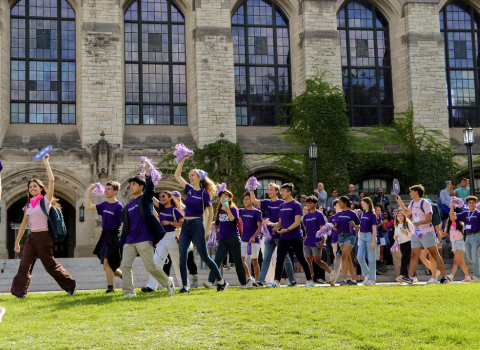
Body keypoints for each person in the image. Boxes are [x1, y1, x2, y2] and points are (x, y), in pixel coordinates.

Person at [11, 154, 77, 298]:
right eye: (30, 187)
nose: (32, 188)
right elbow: (23, 224)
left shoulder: (45, 201)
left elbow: (52, 181)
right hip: (31, 237)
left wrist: (46, 163)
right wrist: (17, 241)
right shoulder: (28, 205)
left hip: (43, 237)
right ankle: (19, 293)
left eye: (35, 186)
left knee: (50, 266)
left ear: (41, 188)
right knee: (24, 265)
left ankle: (70, 285)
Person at [174, 155, 227, 293]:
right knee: (182, 256)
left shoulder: (204, 194)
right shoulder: (189, 190)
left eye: (193, 175)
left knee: (204, 257)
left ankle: (221, 281)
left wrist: (208, 228)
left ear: (199, 178)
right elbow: (177, 175)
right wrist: (182, 161)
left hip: (197, 225)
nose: (190, 177)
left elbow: (210, 211)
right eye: (190, 175)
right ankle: (185, 286)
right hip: (186, 226)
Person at [119, 174, 175, 296]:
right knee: (126, 266)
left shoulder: (145, 199)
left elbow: (150, 189)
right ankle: (128, 292)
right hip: (129, 240)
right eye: (130, 185)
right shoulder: (127, 206)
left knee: (150, 267)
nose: (131, 187)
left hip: (144, 238)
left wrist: (148, 175)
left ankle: (167, 282)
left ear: (141, 186)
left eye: (134, 184)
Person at [396, 185, 448, 284]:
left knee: (434, 254)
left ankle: (444, 277)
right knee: (414, 255)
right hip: (416, 233)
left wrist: (418, 223)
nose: (410, 193)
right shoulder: (412, 202)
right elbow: (406, 213)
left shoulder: (425, 203)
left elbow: (429, 218)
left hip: (427, 232)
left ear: (416, 192)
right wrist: (399, 201)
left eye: (411, 192)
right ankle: (410, 278)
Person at [265, 183, 314, 287]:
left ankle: (310, 280)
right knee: (280, 258)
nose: (281, 193)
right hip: (284, 237)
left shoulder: (296, 205)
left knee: (301, 258)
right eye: (281, 191)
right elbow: (280, 223)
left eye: (283, 191)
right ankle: (276, 282)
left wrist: (286, 230)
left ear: (289, 192)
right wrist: (270, 224)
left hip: (296, 236)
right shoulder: (282, 206)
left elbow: (297, 222)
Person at [249, 183, 296, 287]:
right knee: (266, 258)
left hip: (281, 235)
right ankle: (260, 281)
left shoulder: (282, 203)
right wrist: (251, 189)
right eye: (268, 190)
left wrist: (280, 227)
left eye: (271, 190)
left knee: (286, 258)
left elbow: (287, 218)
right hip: (269, 236)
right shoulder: (266, 202)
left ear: (276, 192)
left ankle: (292, 281)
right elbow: (254, 201)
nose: (269, 191)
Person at [205, 189, 253, 288]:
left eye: (225, 196)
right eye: (221, 197)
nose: (223, 198)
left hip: (233, 238)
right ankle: (210, 281)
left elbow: (234, 222)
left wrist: (228, 211)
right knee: (217, 259)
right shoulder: (219, 209)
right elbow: (218, 221)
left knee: (238, 261)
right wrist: (214, 225)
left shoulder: (233, 209)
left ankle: (243, 283)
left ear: (230, 198)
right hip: (222, 239)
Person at [142, 190, 184, 293]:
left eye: (163, 196)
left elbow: (182, 224)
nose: (161, 198)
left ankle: (184, 286)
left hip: (172, 236)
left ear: (170, 197)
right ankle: (151, 286)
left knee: (176, 263)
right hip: (162, 238)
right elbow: (152, 197)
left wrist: (169, 222)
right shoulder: (161, 208)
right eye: (160, 197)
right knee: (156, 262)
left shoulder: (175, 210)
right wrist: (146, 187)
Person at [86, 181, 124, 293]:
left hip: (114, 236)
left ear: (115, 191)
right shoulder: (104, 205)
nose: (106, 191)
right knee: (106, 266)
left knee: (108, 263)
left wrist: (124, 238)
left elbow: (123, 224)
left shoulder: (119, 206)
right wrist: (89, 191)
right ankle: (124, 276)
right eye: (105, 189)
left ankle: (110, 288)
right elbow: (88, 206)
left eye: (109, 189)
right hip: (104, 236)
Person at [302, 196, 335, 285]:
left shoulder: (319, 215)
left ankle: (331, 273)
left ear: (315, 203)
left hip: (316, 241)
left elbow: (323, 229)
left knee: (317, 260)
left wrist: (322, 241)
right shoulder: (305, 217)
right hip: (307, 241)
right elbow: (305, 230)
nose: (309, 205)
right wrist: (304, 239)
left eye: (311, 203)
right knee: (308, 260)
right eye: (307, 203)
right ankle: (310, 280)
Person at [449, 195, 480, 283]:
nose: (471, 204)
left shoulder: (478, 214)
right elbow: (452, 218)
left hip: (476, 236)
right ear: (467, 204)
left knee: (475, 257)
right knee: (470, 257)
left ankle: (477, 277)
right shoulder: (465, 213)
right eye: (470, 203)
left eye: (473, 203)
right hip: (467, 237)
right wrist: (452, 206)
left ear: (475, 203)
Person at [172, 190, 199, 287]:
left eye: (175, 198)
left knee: (189, 259)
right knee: (174, 259)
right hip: (173, 236)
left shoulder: (184, 209)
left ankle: (194, 279)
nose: (173, 200)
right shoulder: (169, 208)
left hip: (185, 235)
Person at [333, 196, 361, 285]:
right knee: (348, 258)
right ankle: (353, 280)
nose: (339, 204)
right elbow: (336, 227)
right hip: (340, 236)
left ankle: (344, 280)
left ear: (345, 203)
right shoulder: (338, 214)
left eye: (340, 202)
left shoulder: (352, 213)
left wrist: (353, 225)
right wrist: (331, 226)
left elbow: (360, 226)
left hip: (350, 236)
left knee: (344, 256)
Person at [239, 192, 263, 283]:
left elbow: (259, 227)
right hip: (244, 239)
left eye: (248, 199)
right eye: (244, 199)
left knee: (255, 261)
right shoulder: (242, 211)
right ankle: (249, 277)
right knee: (241, 260)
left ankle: (257, 281)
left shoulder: (257, 212)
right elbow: (231, 211)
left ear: (252, 200)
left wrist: (253, 237)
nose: (245, 201)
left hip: (254, 241)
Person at [355, 198, 377, 285]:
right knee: (359, 256)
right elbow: (360, 226)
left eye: (363, 204)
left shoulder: (373, 214)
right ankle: (368, 274)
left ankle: (372, 279)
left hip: (370, 236)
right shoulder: (362, 214)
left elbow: (374, 228)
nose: (362, 205)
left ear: (368, 204)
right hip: (362, 236)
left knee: (371, 258)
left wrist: (372, 241)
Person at [443, 218, 471, 282]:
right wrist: (439, 228)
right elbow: (443, 235)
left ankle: (451, 276)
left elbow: (469, 228)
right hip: (453, 243)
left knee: (455, 260)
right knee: (461, 261)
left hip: (460, 243)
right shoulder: (449, 226)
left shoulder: (461, 224)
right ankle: (468, 277)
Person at [393, 211, 414, 283]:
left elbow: (415, 233)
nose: (400, 217)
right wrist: (395, 237)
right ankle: (413, 276)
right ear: (396, 218)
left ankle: (402, 275)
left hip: (409, 243)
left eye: (402, 215)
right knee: (407, 260)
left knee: (404, 259)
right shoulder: (397, 225)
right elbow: (395, 234)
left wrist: (407, 233)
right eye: (398, 216)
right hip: (402, 244)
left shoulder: (408, 224)